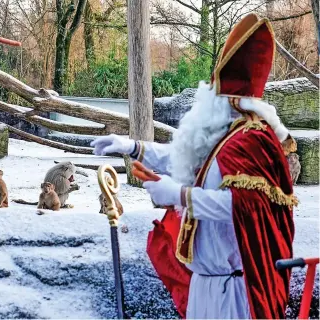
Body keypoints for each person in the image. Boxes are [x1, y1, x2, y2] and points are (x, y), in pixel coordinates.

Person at [91, 13, 297, 319]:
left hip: (234, 293)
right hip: (205, 285)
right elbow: (183, 156)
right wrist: (132, 147)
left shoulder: (251, 139)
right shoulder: (223, 135)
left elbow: (242, 206)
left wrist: (178, 195)